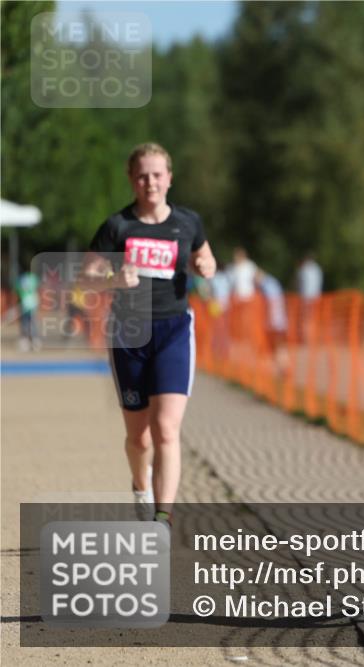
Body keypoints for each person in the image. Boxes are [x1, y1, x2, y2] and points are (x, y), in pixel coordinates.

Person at [81, 142, 216, 526]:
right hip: (129, 334)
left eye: (157, 174)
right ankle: (140, 486)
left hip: (173, 330)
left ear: (169, 178)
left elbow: (205, 258)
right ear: (131, 179)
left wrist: (206, 265)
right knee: (139, 439)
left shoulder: (188, 222)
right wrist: (112, 278)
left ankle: (162, 517)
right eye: (142, 175)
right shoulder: (117, 226)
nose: (150, 182)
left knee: (166, 429)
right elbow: (86, 278)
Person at [16, 269, 40, 351]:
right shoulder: (31, 278)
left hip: (31, 305)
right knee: (26, 323)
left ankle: (33, 342)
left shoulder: (30, 278)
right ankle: (27, 342)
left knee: (30, 324)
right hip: (26, 305)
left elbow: (20, 290)